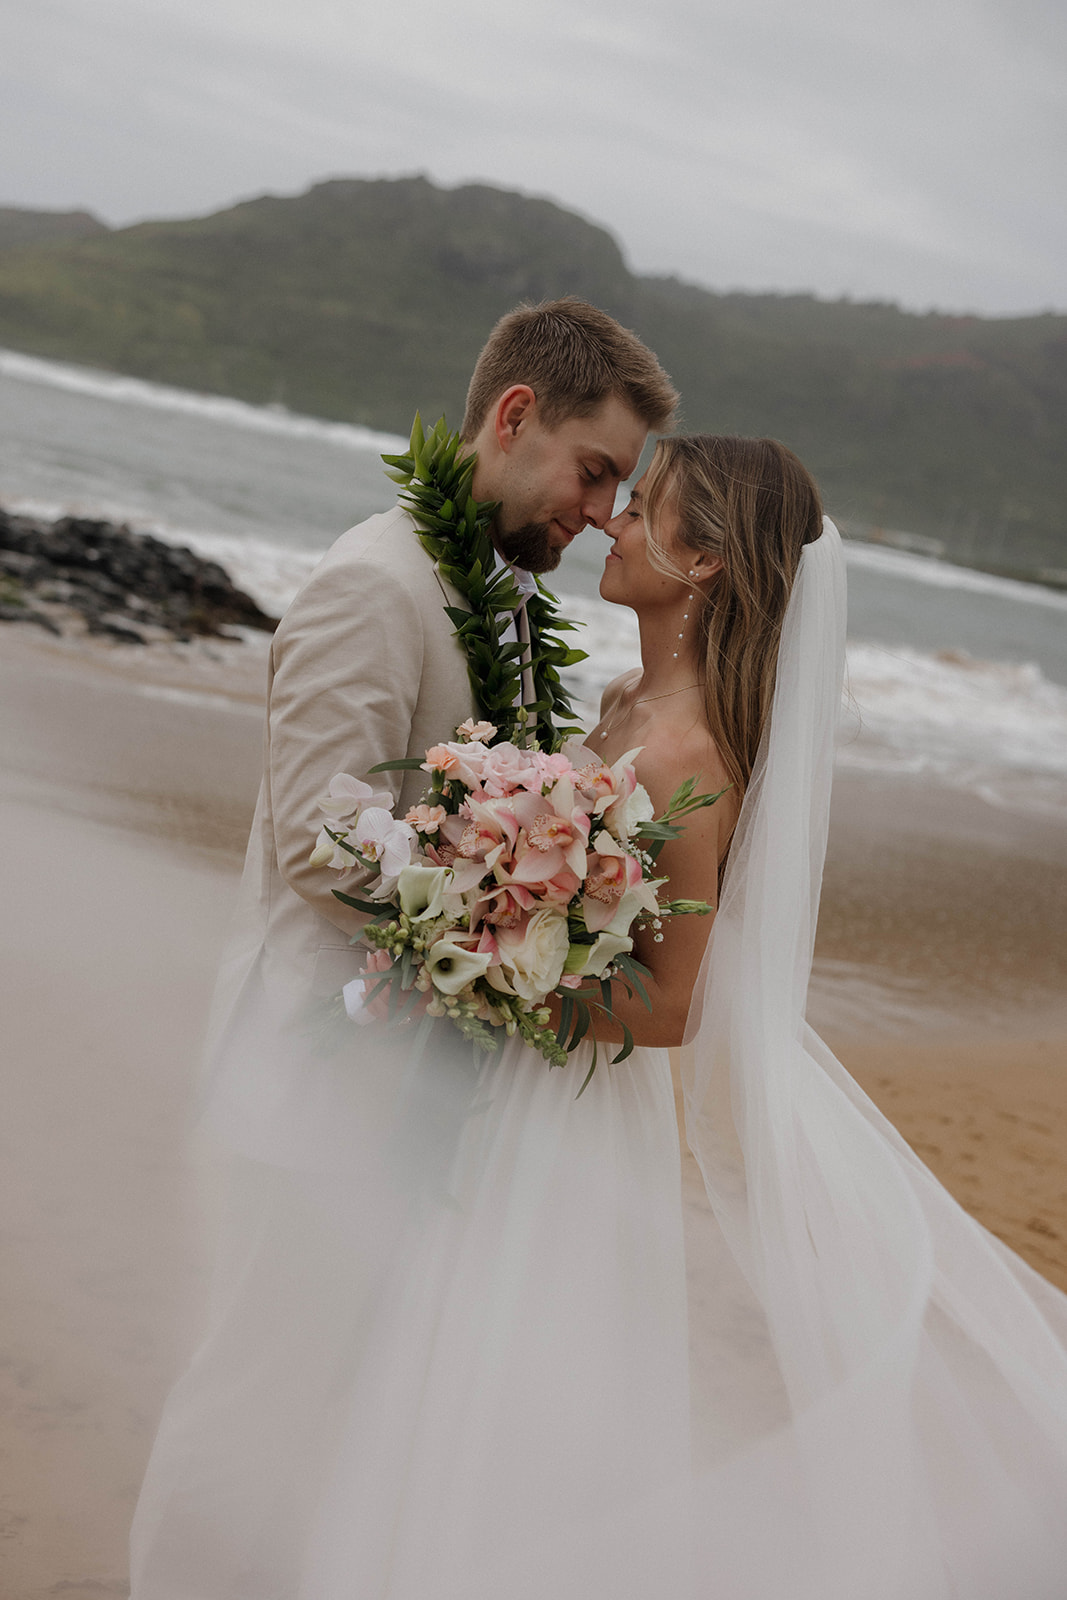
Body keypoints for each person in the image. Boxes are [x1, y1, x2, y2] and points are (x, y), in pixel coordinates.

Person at [130, 393, 1067, 1593]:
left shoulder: (690, 751)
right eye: (609, 490)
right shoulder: (624, 708)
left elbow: (670, 1001)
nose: (611, 521)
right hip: (498, 1083)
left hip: (564, 1106)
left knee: (488, 1393)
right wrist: (495, 936)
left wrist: (500, 980)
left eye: (642, 503)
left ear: (706, 559)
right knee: (411, 1377)